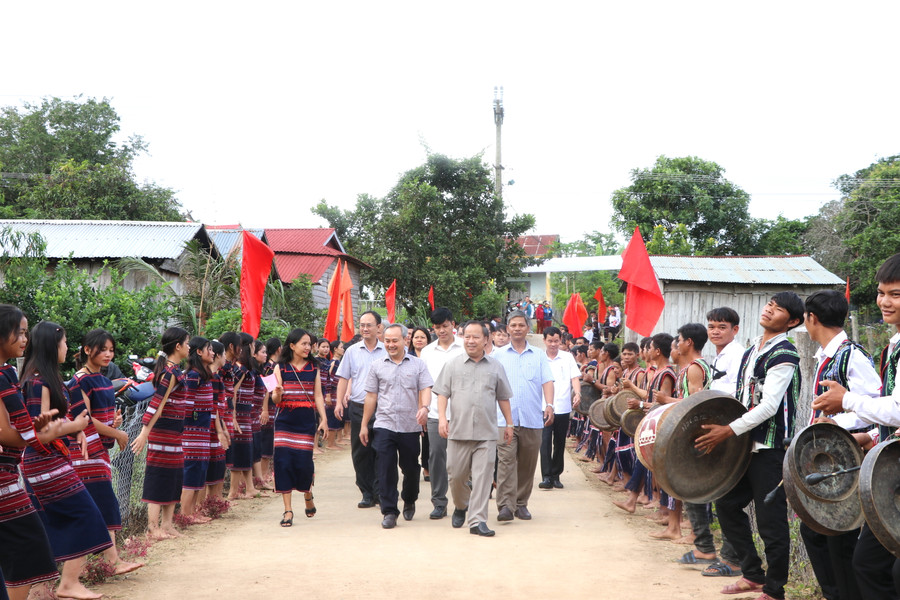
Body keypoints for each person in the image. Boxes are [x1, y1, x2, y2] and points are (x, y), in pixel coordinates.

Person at [695, 292, 804, 600]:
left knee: (771, 522)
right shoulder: (754, 347)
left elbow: (769, 406)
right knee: (727, 505)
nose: (769, 310)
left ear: (792, 322)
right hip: (746, 446)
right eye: (770, 304)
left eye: (778, 309)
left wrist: (727, 430)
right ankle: (752, 574)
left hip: (770, 448)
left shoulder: (785, 353)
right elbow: (743, 398)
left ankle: (774, 589)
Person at [811, 256, 900, 599]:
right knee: (868, 565)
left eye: (895, 294)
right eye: (881, 293)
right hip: (889, 470)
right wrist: (872, 435)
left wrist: (846, 402)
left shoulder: (853, 355)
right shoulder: (893, 345)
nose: (885, 301)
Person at [793, 290, 877, 600]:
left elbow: (875, 404)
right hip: (827, 459)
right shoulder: (825, 355)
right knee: (815, 531)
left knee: (839, 537)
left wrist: (838, 425)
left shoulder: (851, 355)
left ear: (811, 319)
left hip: (848, 457)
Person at [21, 321, 113, 600]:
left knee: (55, 520)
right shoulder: (38, 382)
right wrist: (74, 427)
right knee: (86, 515)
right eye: (63, 343)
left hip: (50, 462)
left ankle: (46, 587)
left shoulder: (43, 379)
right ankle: (68, 584)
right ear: (52, 345)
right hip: (44, 462)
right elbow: (41, 433)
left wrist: (77, 432)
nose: (67, 348)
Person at [0, 305, 77, 600]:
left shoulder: (8, 373)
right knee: (28, 546)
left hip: (10, 474)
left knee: (25, 549)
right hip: (6, 479)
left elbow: (18, 431)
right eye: (18, 332)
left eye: (25, 333)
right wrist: (36, 432)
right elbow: (9, 433)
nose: (23, 339)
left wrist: (36, 429)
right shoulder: (26, 379)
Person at [68, 329, 143, 575]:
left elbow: (101, 418)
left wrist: (115, 424)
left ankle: (100, 565)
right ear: (87, 350)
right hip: (85, 452)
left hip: (100, 450)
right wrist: (118, 434)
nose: (108, 354)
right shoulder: (80, 380)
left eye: (111, 350)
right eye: (102, 349)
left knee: (102, 505)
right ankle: (109, 562)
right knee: (102, 504)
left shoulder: (102, 379)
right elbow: (85, 420)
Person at [435, 321, 514, 537]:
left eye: (476, 337)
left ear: (486, 340)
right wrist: (442, 418)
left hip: (486, 433)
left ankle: (477, 521)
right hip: (457, 431)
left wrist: (509, 423)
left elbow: (503, 396)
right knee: (456, 475)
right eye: (467, 336)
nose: (470, 340)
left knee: (483, 477)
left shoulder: (495, 366)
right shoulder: (452, 365)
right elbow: (442, 394)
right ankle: (461, 505)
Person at [360, 324, 433, 529]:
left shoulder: (418, 365)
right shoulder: (377, 366)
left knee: (410, 468)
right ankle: (389, 511)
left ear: (404, 341)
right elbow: (371, 396)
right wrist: (365, 425)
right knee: (385, 468)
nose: (391, 344)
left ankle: (409, 498)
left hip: (410, 426)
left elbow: (425, 388)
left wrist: (425, 408)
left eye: (395, 340)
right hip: (384, 424)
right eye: (387, 341)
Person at [492, 310, 554, 521]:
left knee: (527, 464)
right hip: (503, 421)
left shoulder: (538, 355)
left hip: (531, 418)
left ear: (528, 328)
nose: (517, 329)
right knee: (506, 462)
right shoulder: (497, 356)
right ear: (507, 329)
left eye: (521, 325)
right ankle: (505, 506)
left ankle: (521, 504)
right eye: (513, 325)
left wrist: (550, 405)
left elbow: (547, 381)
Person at [131, 326, 191, 540]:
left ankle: (167, 524)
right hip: (162, 434)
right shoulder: (169, 373)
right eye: (187, 343)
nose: (189, 346)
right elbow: (158, 404)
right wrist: (144, 432)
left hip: (174, 434)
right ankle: (152, 528)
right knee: (158, 477)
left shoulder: (175, 371)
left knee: (174, 477)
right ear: (178, 346)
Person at [700, 307, 745, 578]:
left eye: (722, 327)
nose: (715, 331)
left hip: (734, 430)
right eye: (712, 326)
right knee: (724, 496)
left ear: (735, 330)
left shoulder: (737, 355)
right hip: (722, 430)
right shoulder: (718, 355)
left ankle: (734, 558)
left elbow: (737, 389)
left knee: (730, 496)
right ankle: (731, 556)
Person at [271, 329, 328, 527]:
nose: (307, 347)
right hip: (284, 421)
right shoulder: (280, 367)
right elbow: (274, 398)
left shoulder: (314, 367)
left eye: (309, 344)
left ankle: (308, 493)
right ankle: (288, 510)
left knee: (304, 463)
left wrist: (324, 419)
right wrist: (278, 393)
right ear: (292, 346)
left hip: (305, 421)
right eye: (303, 343)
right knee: (283, 463)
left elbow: (318, 395)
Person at [335, 310, 387, 508]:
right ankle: (366, 492)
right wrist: (339, 402)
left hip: (383, 408)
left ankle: (380, 492)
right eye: (362, 325)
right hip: (358, 406)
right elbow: (343, 378)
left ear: (378, 327)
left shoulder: (387, 349)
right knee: (360, 451)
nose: (365, 328)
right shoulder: (352, 351)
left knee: (382, 450)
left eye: (369, 325)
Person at [419, 307, 465, 519]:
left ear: (453, 325)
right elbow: (424, 384)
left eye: (445, 326)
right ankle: (439, 501)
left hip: (463, 414)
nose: (441, 331)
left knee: (461, 461)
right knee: (436, 457)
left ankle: (462, 502)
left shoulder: (465, 347)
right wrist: (424, 408)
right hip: (436, 414)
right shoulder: (428, 351)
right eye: (437, 327)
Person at [180, 337, 219, 521]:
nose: (212, 353)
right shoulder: (193, 375)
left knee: (199, 473)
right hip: (192, 433)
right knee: (192, 473)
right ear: (199, 352)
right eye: (209, 349)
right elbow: (187, 407)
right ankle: (186, 514)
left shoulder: (204, 375)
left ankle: (193, 512)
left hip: (202, 433)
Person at [538, 326, 580, 490]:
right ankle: (546, 476)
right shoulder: (539, 358)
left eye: (556, 341)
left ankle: (556, 475)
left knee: (560, 442)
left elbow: (574, 377)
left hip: (563, 406)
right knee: (545, 442)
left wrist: (577, 393)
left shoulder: (567, 357)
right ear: (544, 341)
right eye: (550, 341)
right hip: (543, 406)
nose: (553, 344)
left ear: (561, 340)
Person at [407, 327, 432, 479]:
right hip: (410, 400)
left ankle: (427, 467)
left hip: (427, 399)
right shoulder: (406, 356)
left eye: (423, 337)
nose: (419, 340)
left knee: (427, 436)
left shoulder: (432, 356)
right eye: (416, 337)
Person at [316, 338, 342, 450]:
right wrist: (329, 394)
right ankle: (315, 446)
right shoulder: (315, 361)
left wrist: (326, 393)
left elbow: (327, 379)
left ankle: (319, 445)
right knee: (316, 418)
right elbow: (330, 378)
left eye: (327, 347)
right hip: (317, 391)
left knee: (322, 417)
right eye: (323, 347)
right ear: (317, 347)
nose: (326, 349)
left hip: (324, 391)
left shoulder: (326, 362)